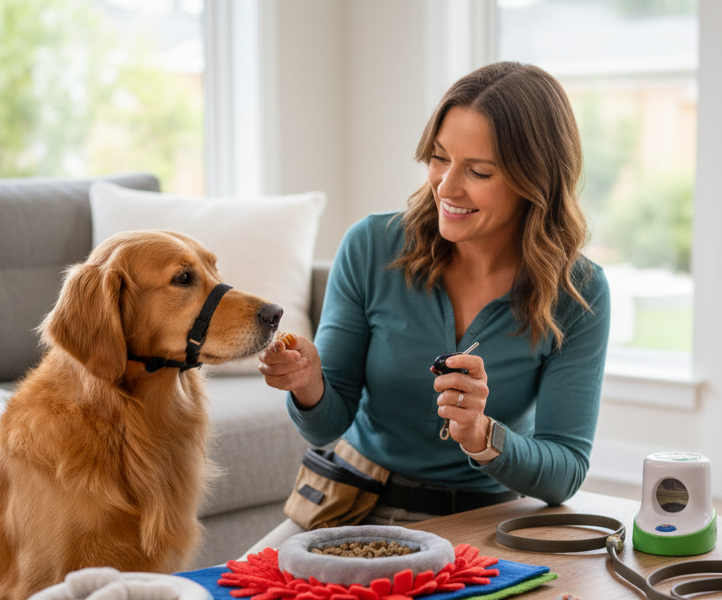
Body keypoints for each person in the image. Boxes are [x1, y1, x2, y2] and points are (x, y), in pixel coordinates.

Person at [252, 61, 609, 550]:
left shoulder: (580, 292)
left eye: (478, 171)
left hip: (482, 525)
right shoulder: (371, 246)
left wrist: (483, 435)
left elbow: (564, 473)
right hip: (349, 503)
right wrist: (308, 383)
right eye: (439, 158)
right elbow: (328, 423)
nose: (446, 186)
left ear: (536, 180)